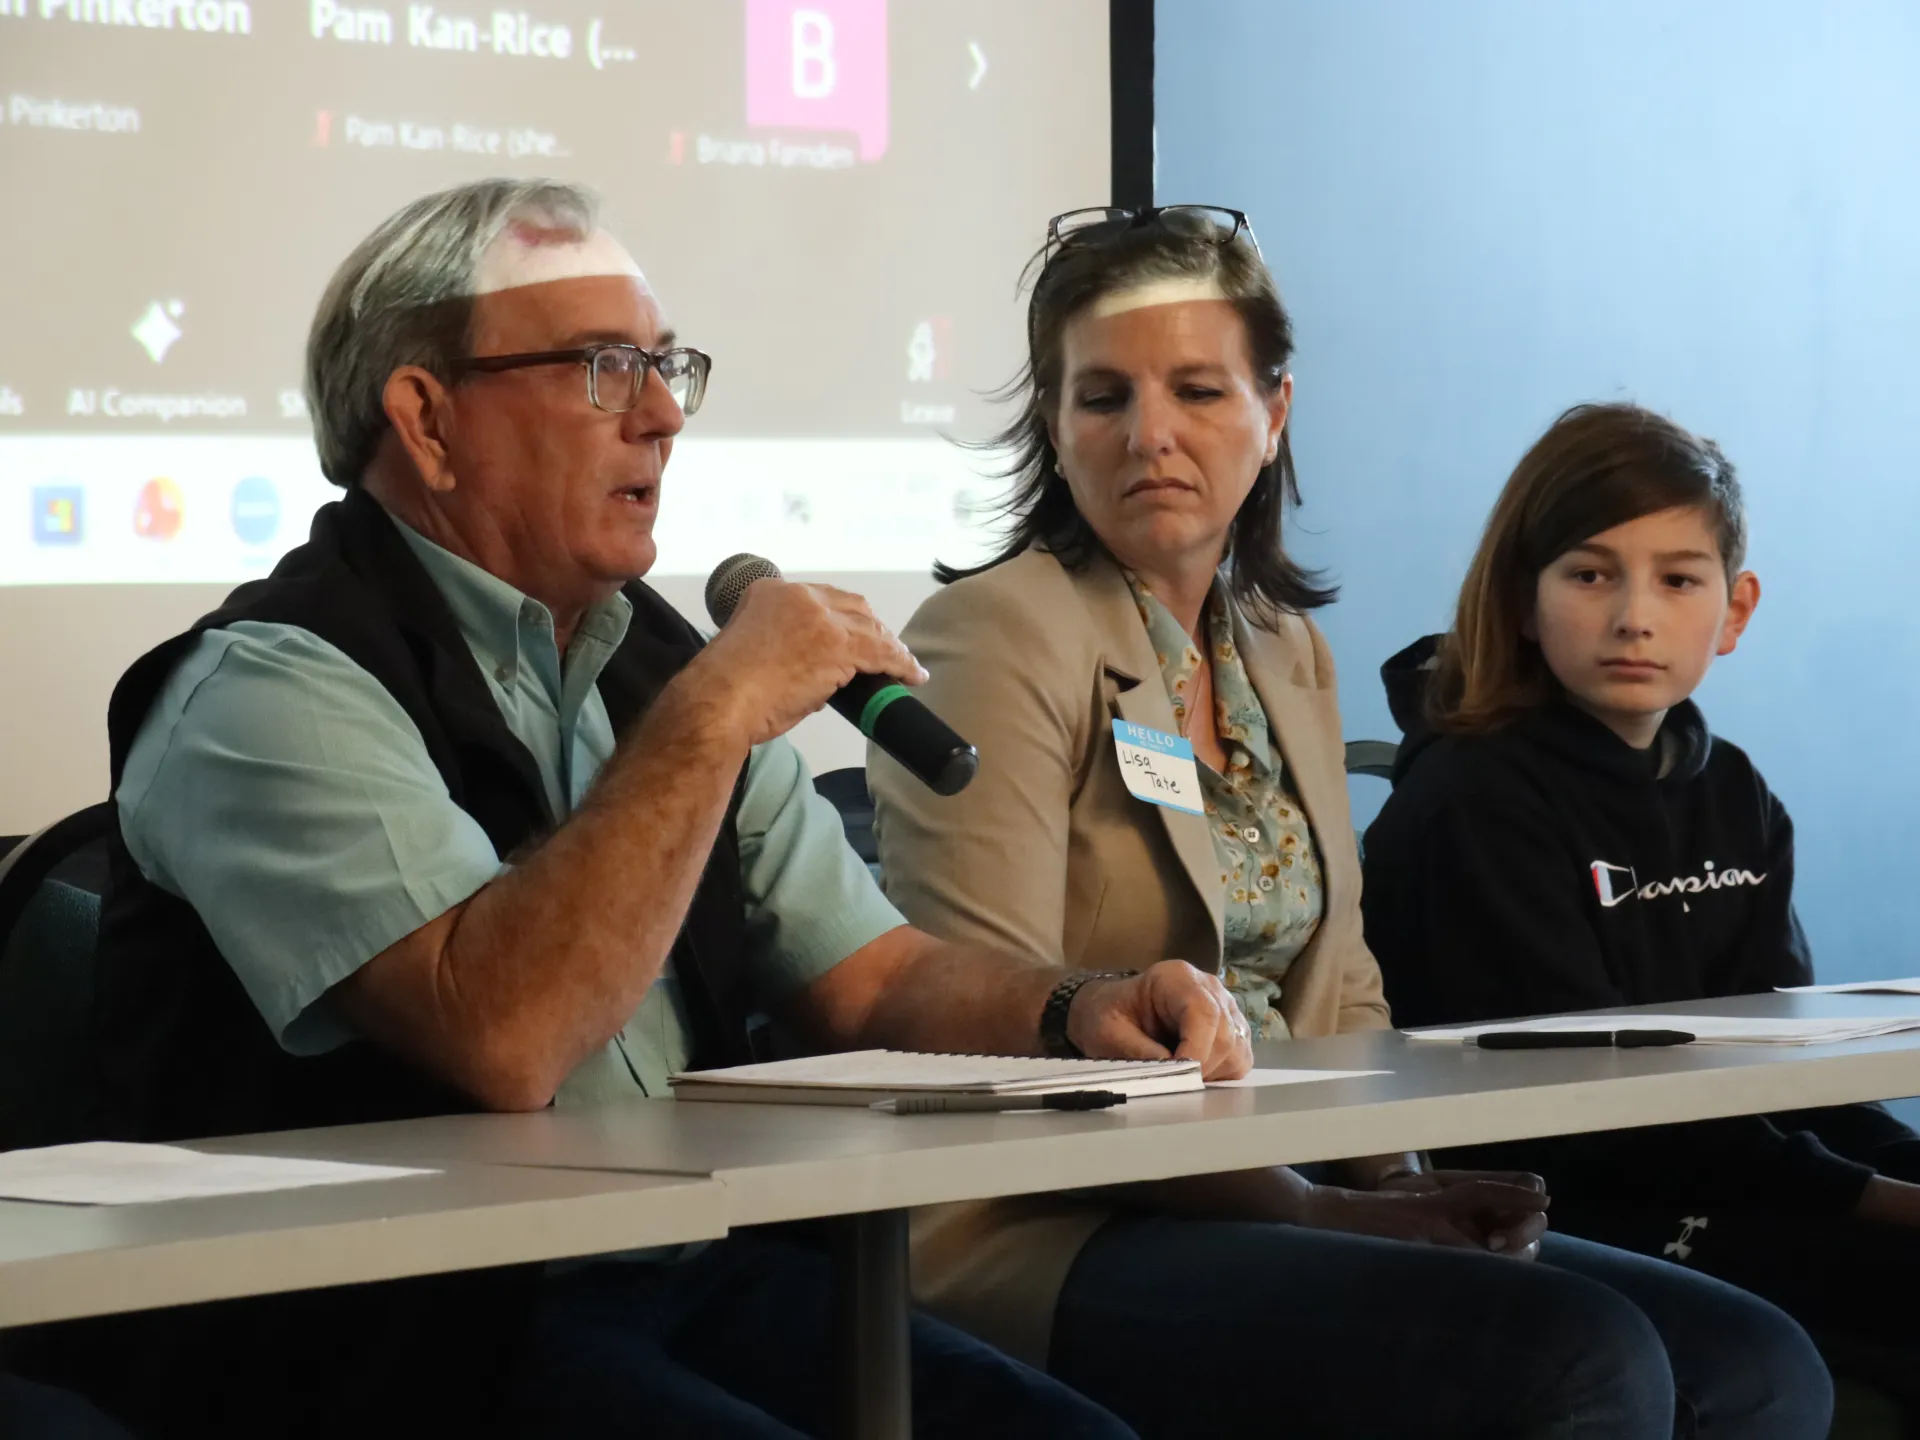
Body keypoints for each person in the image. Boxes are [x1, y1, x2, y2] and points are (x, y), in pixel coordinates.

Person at [34, 178, 1272, 1440]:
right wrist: (715, 709)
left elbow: (870, 979)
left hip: (678, 1264)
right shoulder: (270, 685)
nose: (665, 415)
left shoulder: (650, 665)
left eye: (668, 365)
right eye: (603, 368)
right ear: (427, 419)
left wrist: (1077, 1007)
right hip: (381, 1324)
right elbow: (506, 1037)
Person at [868, 207, 1834, 1439]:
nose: (1149, 433)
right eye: (1101, 396)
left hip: (1304, 1182)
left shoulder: (1285, 649)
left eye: (1198, 390)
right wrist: (1318, 1211)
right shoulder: (996, 636)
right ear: (1054, 430)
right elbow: (996, 1034)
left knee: (1756, 1363)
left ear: (1273, 413)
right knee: (1576, 1357)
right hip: (1061, 1218)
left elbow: (1346, 990)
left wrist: (1403, 1183)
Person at [1362, 400, 1920, 1420]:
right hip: (1574, 1203)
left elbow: (1789, 1072)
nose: (1634, 616)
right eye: (1590, 573)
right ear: (1523, 601)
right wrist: (1881, 1203)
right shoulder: (1473, 803)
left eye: (1676, 579)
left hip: (1733, 1175)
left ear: (1736, 609)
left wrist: (1902, 1169)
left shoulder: (1737, 794)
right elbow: (1600, 1120)